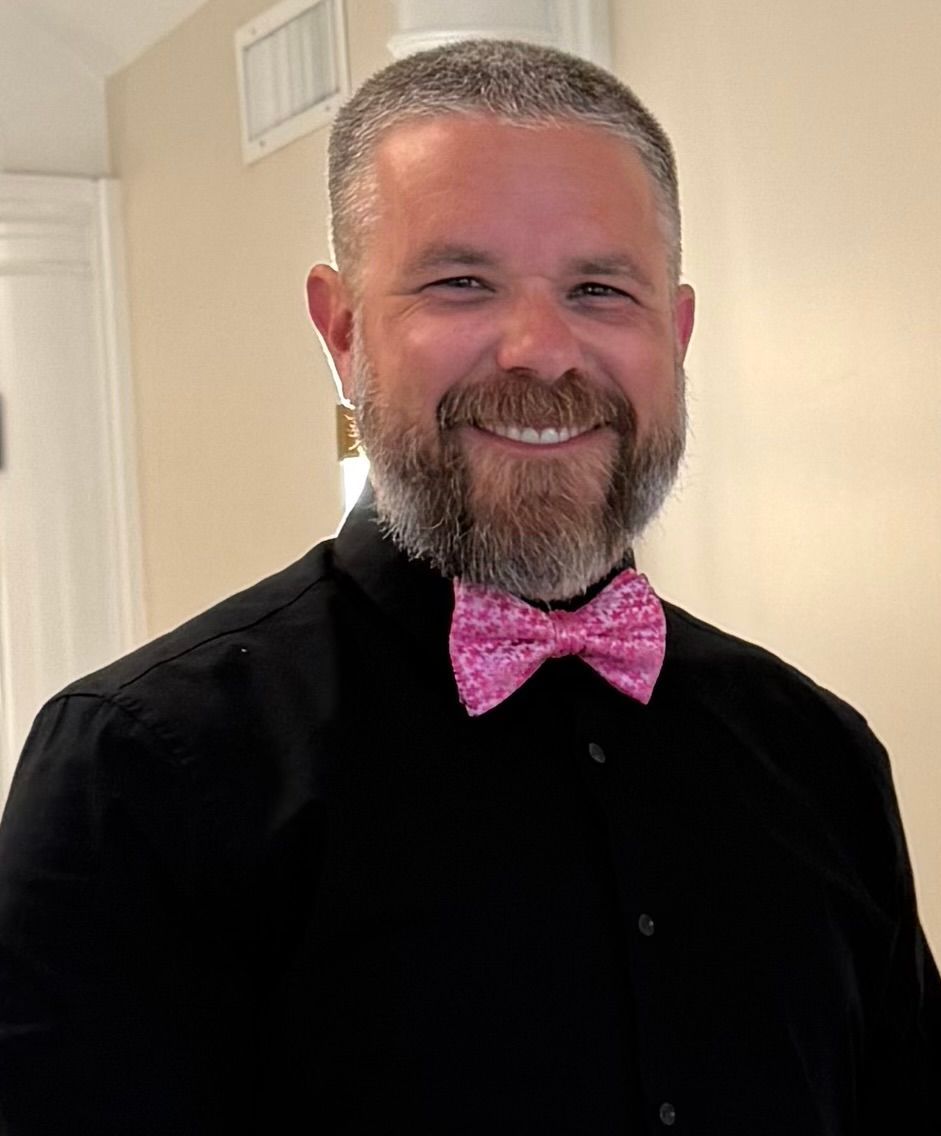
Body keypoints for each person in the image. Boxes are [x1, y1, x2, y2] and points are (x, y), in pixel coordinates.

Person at [0, 38, 937, 1136]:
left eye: (599, 288)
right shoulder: (136, 770)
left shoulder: (819, 755)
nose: (540, 351)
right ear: (341, 331)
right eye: (460, 282)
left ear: (674, 336)